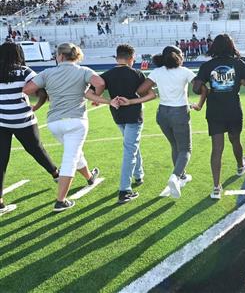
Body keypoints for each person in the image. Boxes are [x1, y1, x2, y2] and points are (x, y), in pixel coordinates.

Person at [23, 43, 102, 212]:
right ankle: (60, 201)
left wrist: (47, 90)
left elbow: (28, 89)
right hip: (76, 121)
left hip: (54, 123)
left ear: (60, 56)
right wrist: (96, 96)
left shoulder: (47, 72)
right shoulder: (83, 71)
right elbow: (100, 82)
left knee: (74, 153)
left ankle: (89, 177)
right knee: (70, 159)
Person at [86, 44, 156, 204]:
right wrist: (132, 101)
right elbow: (151, 94)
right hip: (134, 116)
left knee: (131, 145)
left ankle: (139, 175)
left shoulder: (107, 75)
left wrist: (107, 101)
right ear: (132, 58)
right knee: (130, 150)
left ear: (117, 57)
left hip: (117, 116)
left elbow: (88, 94)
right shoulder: (136, 74)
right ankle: (125, 190)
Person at [193, 34, 245, 199]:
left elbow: (196, 88)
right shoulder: (238, 64)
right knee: (235, 140)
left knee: (217, 148)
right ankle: (239, 165)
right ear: (231, 46)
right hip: (233, 110)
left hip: (214, 110)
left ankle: (216, 187)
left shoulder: (207, 66)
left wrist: (205, 89)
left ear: (214, 47)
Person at [0, 43, 59, 215]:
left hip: (1, 121)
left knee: (1, 160)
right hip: (23, 120)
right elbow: (42, 92)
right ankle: (56, 174)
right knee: (37, 149)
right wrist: (37, 107)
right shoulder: (24, 70)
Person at [136, 46, 198, 199]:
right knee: (185, 150)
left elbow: (141, 90)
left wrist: (157, 90)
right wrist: (195, 102)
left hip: (163, 113)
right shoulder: (185, 72)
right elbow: (200, 87)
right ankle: (175, 176)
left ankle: (181, 176)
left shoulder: (157, 72)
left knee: (175, 145)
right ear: (177, 56)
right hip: (179, 112)